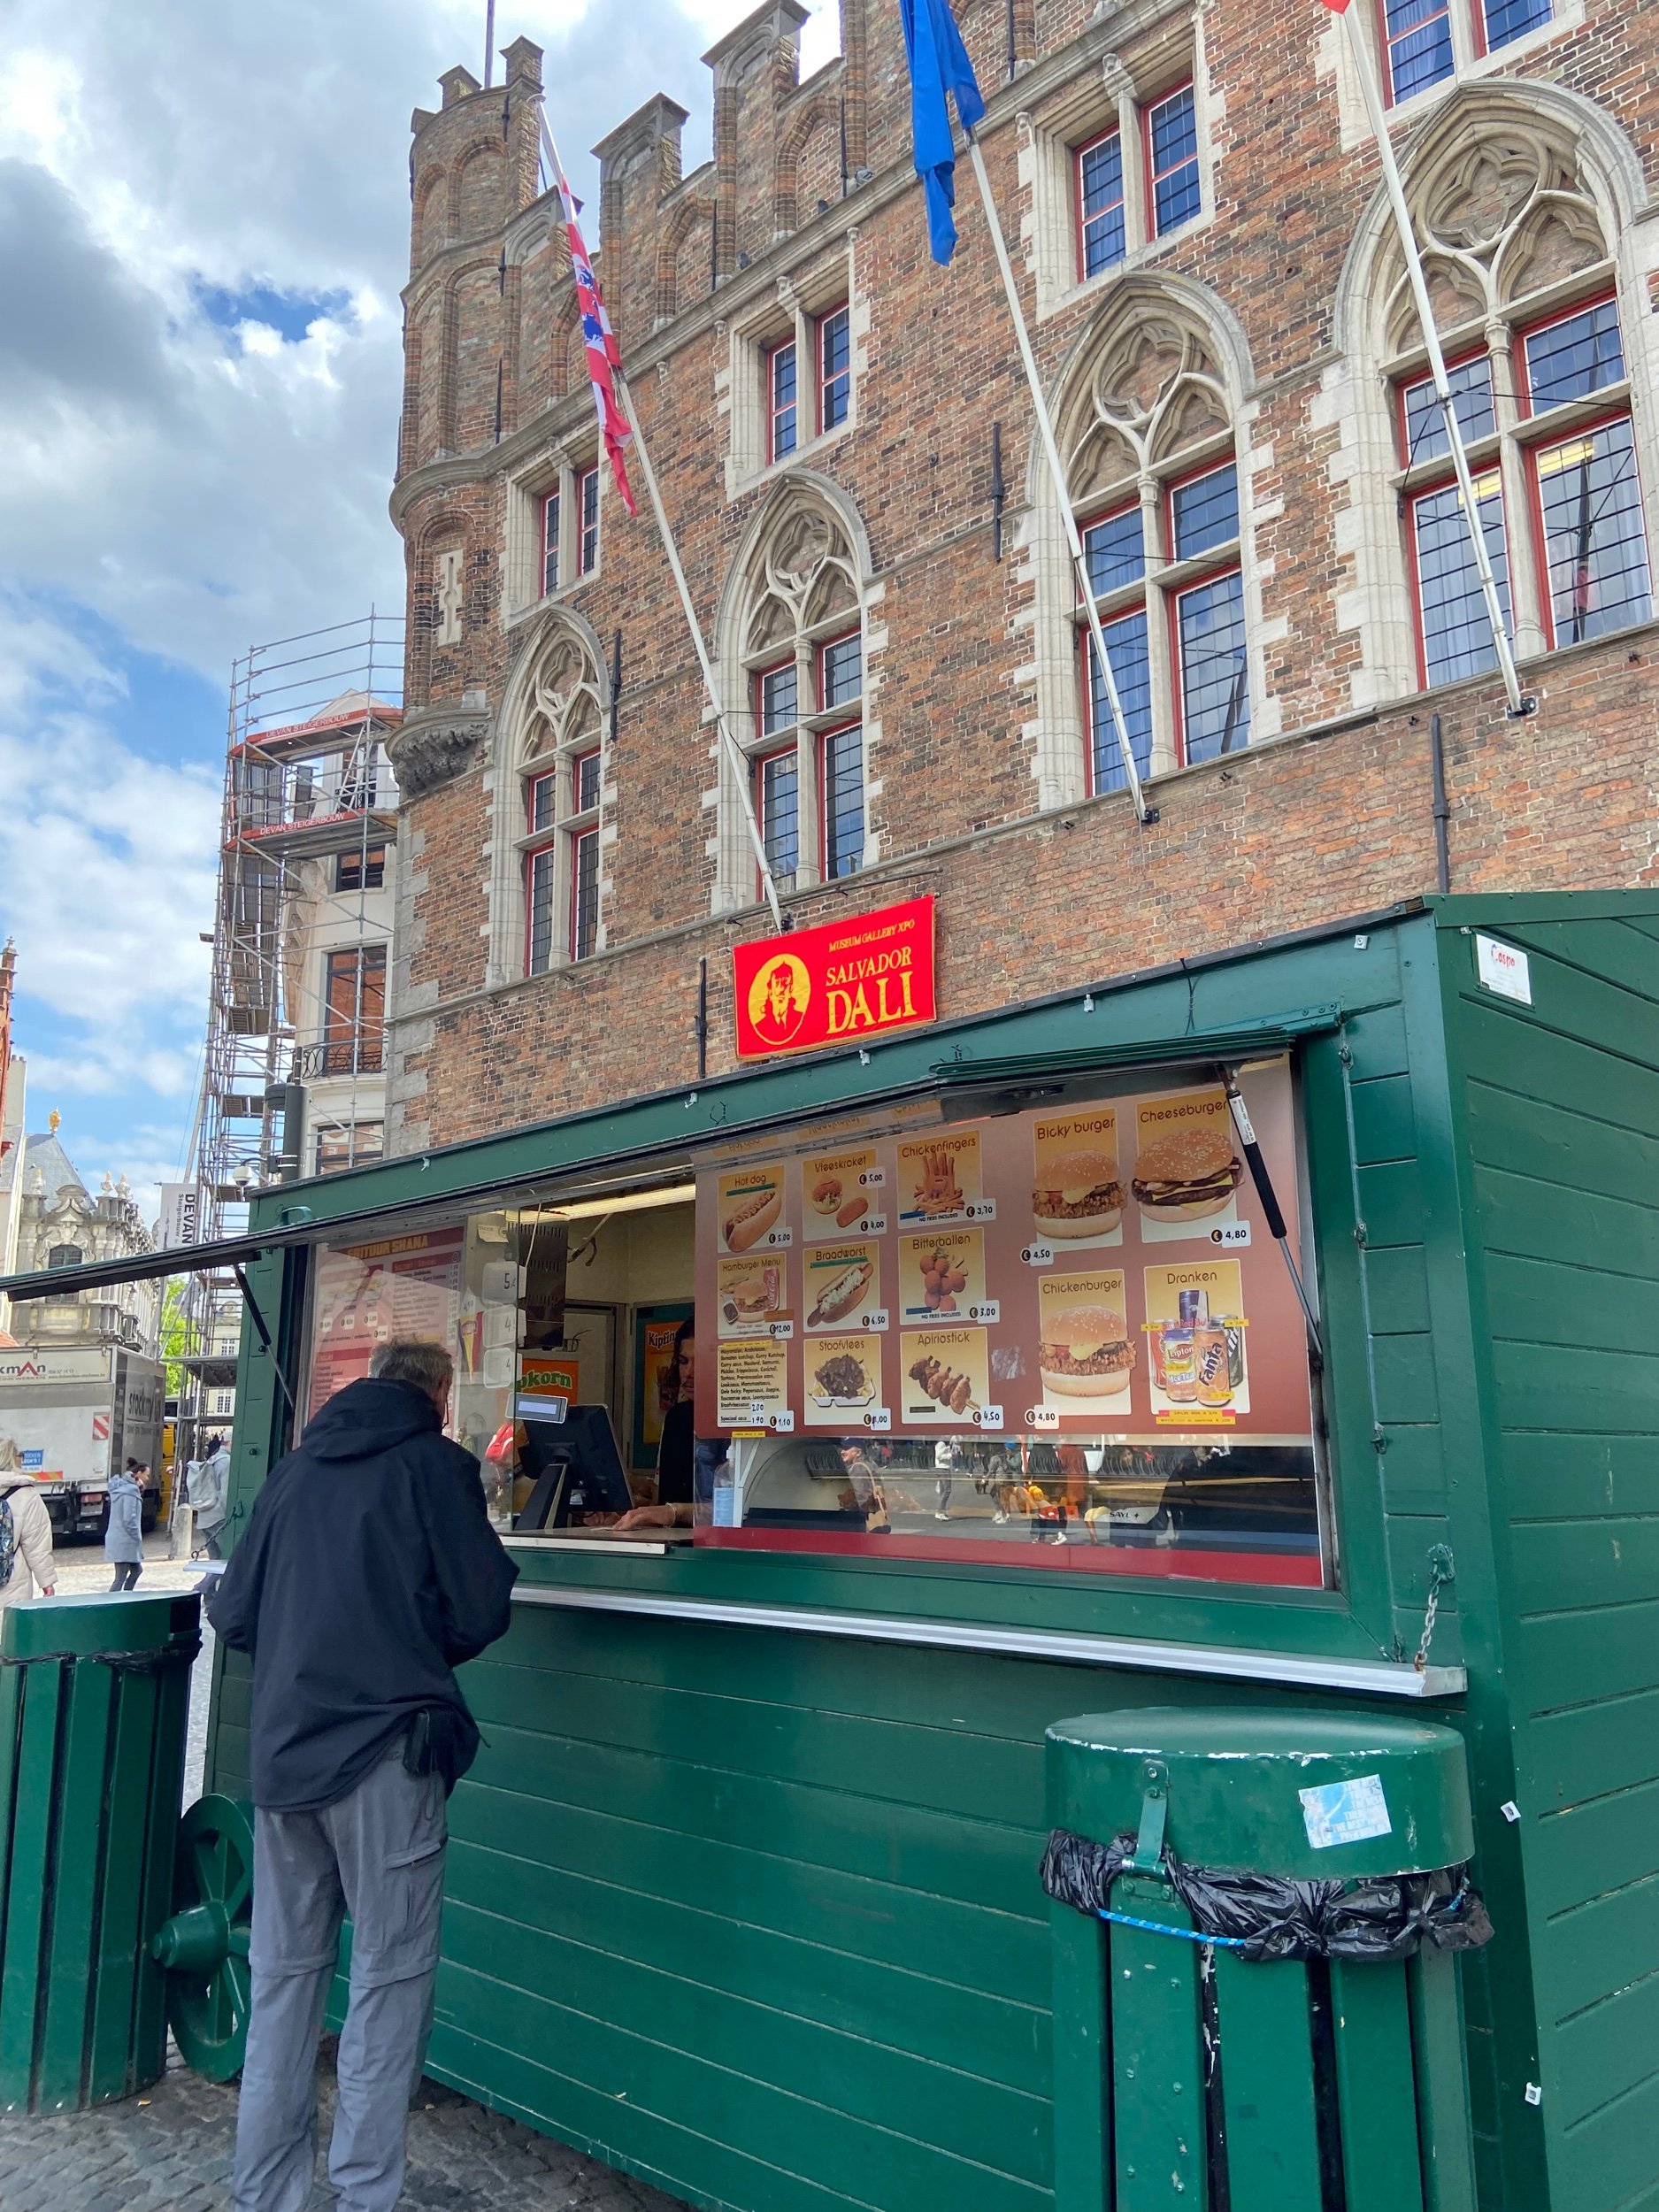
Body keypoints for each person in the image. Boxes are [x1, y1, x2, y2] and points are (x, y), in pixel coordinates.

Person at [208, 1340, 518, 2212]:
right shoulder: (436, 1467)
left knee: (282, 1981)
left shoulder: (295, 1472)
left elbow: (233, 1614)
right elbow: (482, 1605)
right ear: (440, 1393)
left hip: (285, 1763)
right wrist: (412, 1642)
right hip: (387, 1759)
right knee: (387, 1983)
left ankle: (265, 2196)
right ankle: (362, 2195)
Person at [614, 1325, 727, 1531]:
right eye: (683, 1362)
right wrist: (633, 1516)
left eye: (701, 1361)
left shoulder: (744, 1419)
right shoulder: (677, 1418)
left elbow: (744, 1508)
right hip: (672, 1545)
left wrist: (674, 1512)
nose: (689, 1372)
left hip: (726, 1546)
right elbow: (661, 1496)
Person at [0, 1444, 56, 1609]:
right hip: (12, 1582)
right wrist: (47, 1581)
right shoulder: (26, 1495)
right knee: (9, 1630)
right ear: (12, 1459)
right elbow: (37, 1544)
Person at [106, 1458, 145, 1590]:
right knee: (121, 1576)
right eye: (146, 1474)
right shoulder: (131, 1491)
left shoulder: (121, 1488)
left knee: (136, 1571)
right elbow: (129, 1518)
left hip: (120, 1538)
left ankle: (126, 1597)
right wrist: (137, 1537)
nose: (148, 1477)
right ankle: (111, 1605)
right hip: (125, 1540)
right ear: (139, 1473)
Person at [193, 1433, 231, 1559]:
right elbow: (225, 1493)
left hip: (205, 1516)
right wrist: (230, 1517)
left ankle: (211, 1580)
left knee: (214, 1562)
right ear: (231, 1442)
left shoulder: (213, 1459)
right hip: (218, 1517)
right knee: (227, 1559)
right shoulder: (227, 1461)